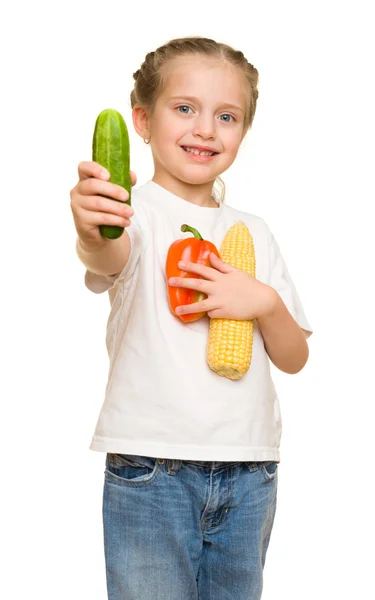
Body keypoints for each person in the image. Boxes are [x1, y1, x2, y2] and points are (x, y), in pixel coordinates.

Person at [70, 36, 313, 600]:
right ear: (142, 120)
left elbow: (295, 357)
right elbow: (106, 254)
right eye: (184, 108)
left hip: (249, 470)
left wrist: (265, 304)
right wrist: (91, 226)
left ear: (242, 134)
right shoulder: (134, 214)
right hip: (151, 471)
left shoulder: (253, 231)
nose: (206, 129)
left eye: (226, 116)